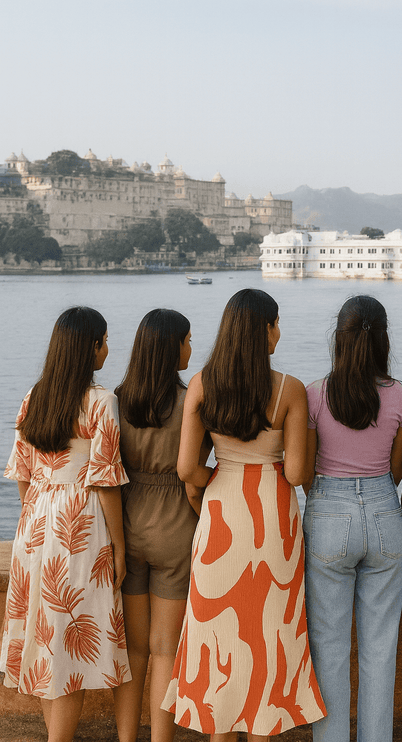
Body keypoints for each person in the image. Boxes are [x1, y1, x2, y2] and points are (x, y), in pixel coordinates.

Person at [161, 288, 326, 742]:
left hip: (222, 513)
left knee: (219, 635)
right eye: (277, 323)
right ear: (266, 329)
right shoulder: (289, 389)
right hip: (272, 519)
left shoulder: (201, 383)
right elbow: (295, 472)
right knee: (269, 637)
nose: (280, 332)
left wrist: (217, 478)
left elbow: (185, 468)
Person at [0, 307, 130, 742]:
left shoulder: (34, 397)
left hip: (34, 523)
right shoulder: (101, 401)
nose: (109, 349)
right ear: (89, 347)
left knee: (42, 643)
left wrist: (41, 511)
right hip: (81, 527)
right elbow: (106, 481)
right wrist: (119, 548)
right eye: (105, 341)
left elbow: (21, 473)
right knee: (69, 656)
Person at [303, 295, 402, 742]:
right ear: (383, 339)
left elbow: (306, 472)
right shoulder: (401, 395)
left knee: (328, 647)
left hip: (328, 510)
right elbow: (397, 470)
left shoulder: (316, 394)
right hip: (385, 513)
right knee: (381, 650)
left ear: (339, 339)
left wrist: (330, 498)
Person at [113, 308, 208, 742]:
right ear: (173, 347)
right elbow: (191, 477)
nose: (191, 347)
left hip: (129, 527)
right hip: (176, 529)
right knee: (165, 649)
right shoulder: (191, 401)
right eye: (188, 340)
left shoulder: (117, 399)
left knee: (133, 651)